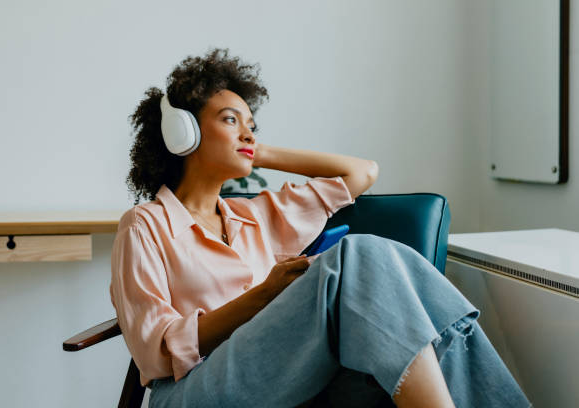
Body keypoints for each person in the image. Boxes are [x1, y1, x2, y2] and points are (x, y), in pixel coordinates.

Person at [110, 48, 531, 407]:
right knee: (358, 253)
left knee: (432, 316)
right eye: (230, 120)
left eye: (251, 124)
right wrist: (264, 296)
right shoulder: (144, 226)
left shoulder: (256, 216)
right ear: (183, 132)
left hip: (279, 374)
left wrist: (260, 152)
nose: (248, 132)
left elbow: (361, 172)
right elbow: (156, 351)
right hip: (192, 391)